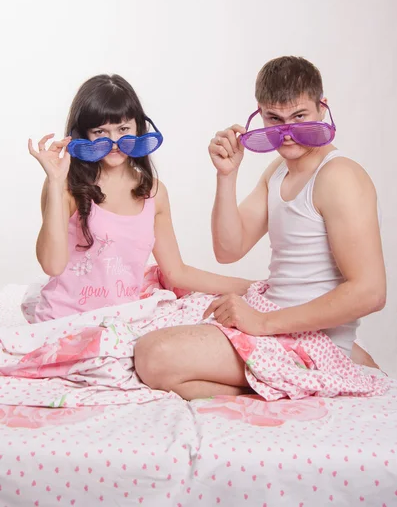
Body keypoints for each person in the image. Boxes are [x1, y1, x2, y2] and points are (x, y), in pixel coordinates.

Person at [134, 56, 386, 399]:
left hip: (307, 338)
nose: (287, 131)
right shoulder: (279, 170)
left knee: (154, 356)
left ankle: (329, 370)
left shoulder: (339, 177)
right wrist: (227, 175)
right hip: (271, 317)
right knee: (146, 340)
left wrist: (263, 324)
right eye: (274, 119)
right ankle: (286, 383)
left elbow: (370, 292)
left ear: (323, 108)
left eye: (299, 117)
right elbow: (228, 249)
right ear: (260, 114)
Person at [26, 74, 251, 322]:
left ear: (138, 128)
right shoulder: (66, 184)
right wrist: (56, 182)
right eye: (100, 131)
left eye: (123, 129)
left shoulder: (154, 192)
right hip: (64, 323)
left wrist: (250, 286)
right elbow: (52, 266)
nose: (113, 142)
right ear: (84, 134)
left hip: (119, 324)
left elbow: (176, 272)